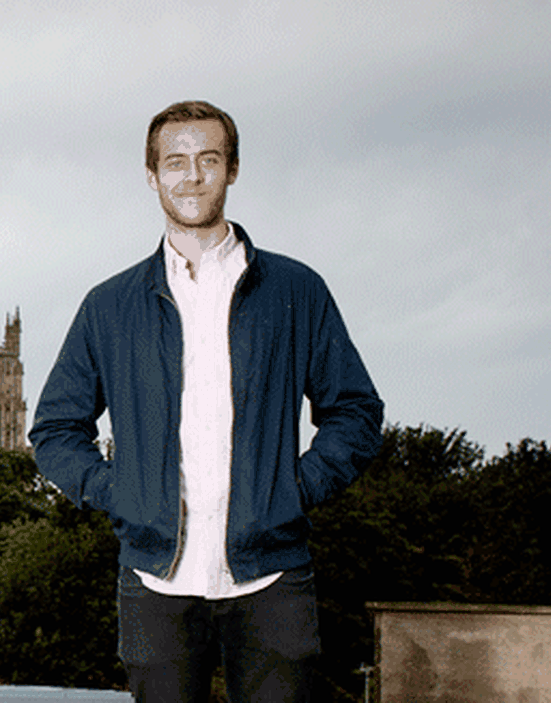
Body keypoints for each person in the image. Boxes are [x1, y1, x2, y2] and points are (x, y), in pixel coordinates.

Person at [30, 100, 384, 703]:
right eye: (175, 162)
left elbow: (355, 411)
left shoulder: (296, 290)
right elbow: (55, 431)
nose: (191, 176)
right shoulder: (109, 305)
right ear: (152, 176)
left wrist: (295, 491)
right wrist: (120, 494)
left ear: (232, 169)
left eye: (208, 159)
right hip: (154, 581)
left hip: (272, 574)